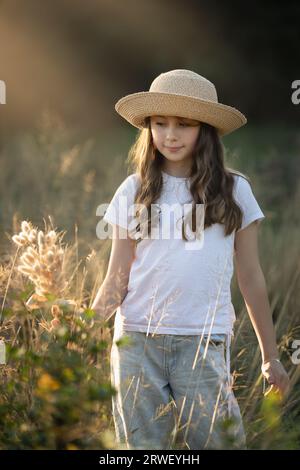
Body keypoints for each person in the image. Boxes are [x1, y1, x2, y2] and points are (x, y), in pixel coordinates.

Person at [91, 69, 290, 450]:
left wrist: (270, 357)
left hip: (202, 342)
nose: (170, 134)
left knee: (221, 443)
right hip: (135, 342)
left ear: (206, 130)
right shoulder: (133, 190)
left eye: (184, 124)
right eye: (160, 123)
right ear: (148, 128)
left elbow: (250, 276)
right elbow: (117, 275)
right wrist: (81, 326)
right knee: (143, 449)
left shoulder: (235, 190)